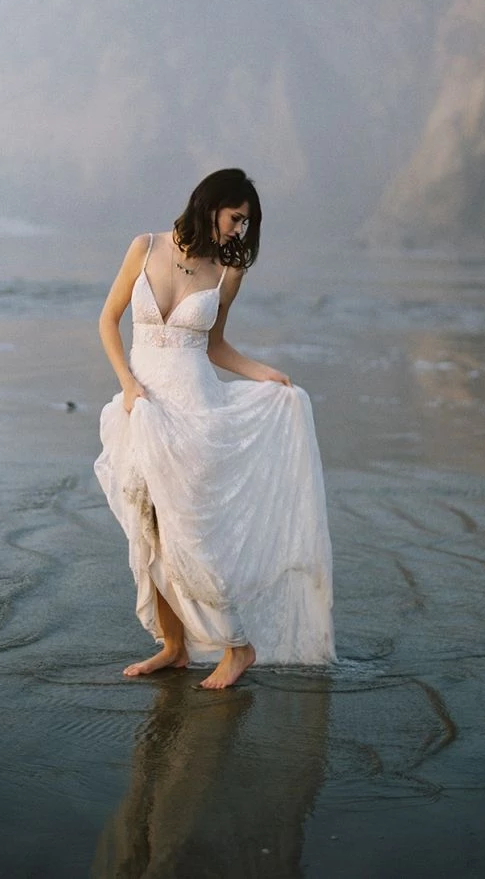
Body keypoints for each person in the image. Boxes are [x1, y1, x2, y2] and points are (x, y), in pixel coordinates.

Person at [94, 169, 335, 689]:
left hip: (195, 412)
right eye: (236, 219)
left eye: (246, 225)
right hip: (143, 409)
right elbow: (108, 321)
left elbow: (216, 346)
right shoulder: (146, 246)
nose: (239, 233)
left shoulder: (228, 270)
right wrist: (128, 385)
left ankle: (238, 645)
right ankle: (174, 646)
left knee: (190, 533)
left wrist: (263, 373)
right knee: (148, 527)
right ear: (210, 205)